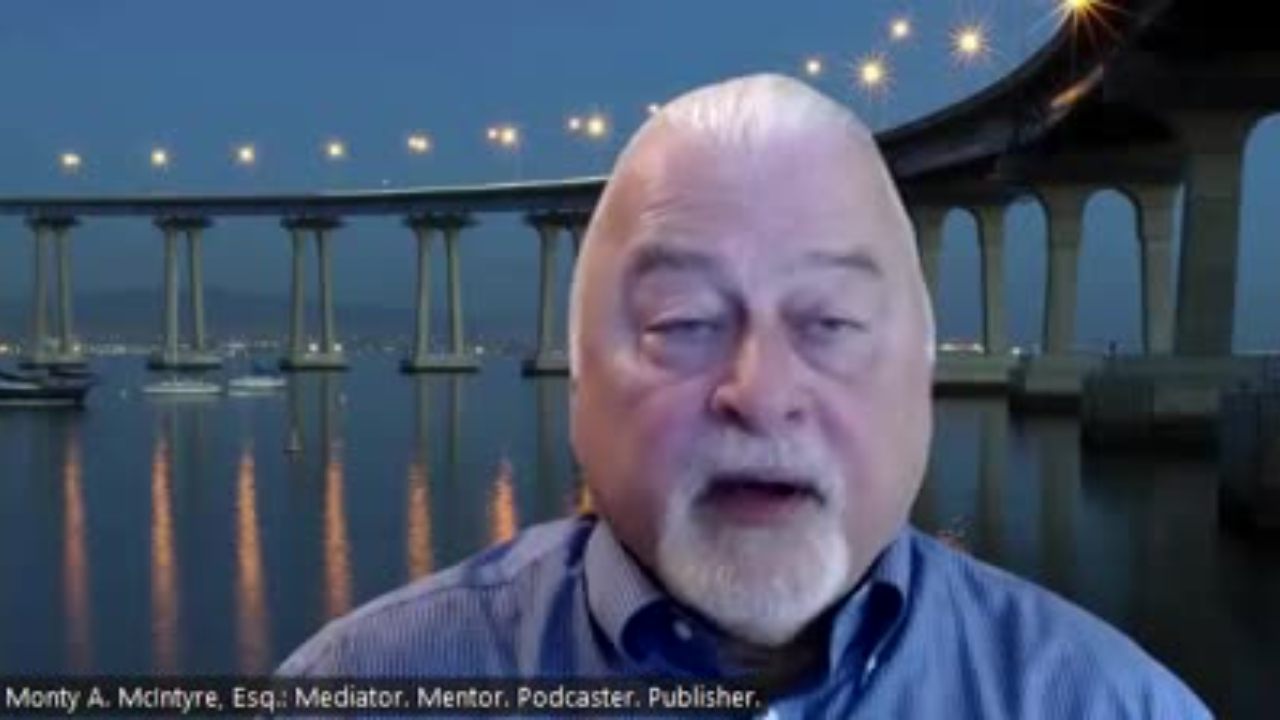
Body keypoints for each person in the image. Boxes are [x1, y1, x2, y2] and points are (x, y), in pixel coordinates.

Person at [278, 73, 1211, 718]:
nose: (760, 394)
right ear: (578, 382)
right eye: (682, 321)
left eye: (832, 322)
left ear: (922, 377)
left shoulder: (1114, 705)